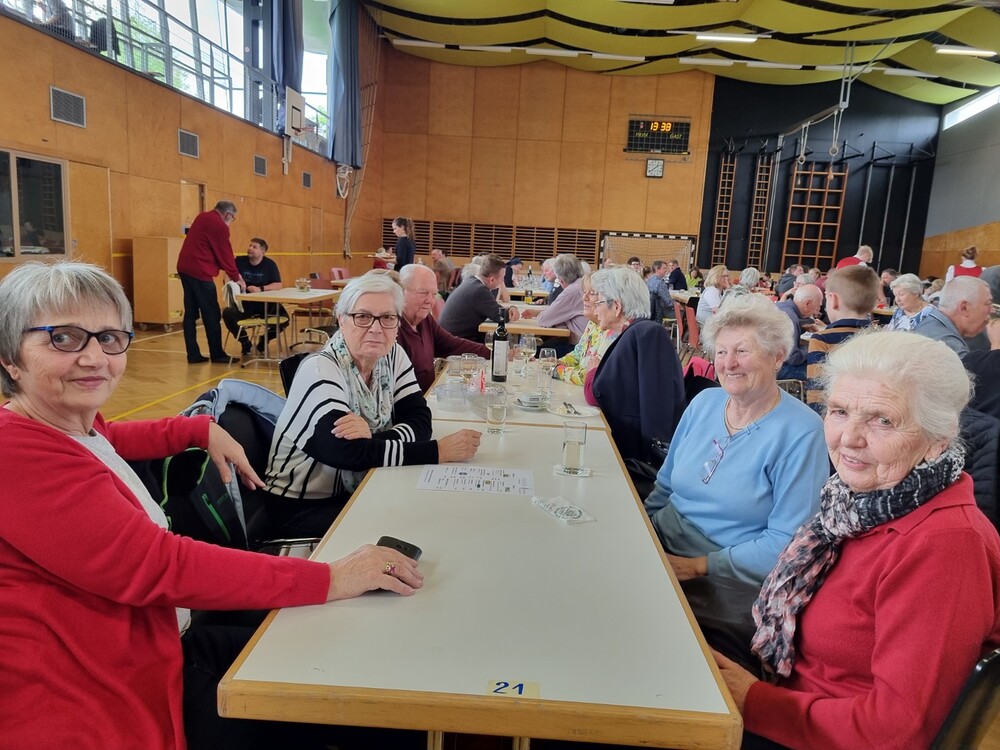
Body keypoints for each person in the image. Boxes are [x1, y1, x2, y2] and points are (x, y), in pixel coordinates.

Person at [0, 261, 424, 750]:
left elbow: (109, 438)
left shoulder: (67, 425)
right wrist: (329, 578)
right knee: (370, 709)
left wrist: (196, 428)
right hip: (109, 678)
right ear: (11, 358)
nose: (94, 357)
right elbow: (158, 564)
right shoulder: (17, 453)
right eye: (64, 338)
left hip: (161, 635)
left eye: (110, 338)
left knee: (362, 661)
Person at [714, 330, 1000, 750]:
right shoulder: (853, 505)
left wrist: (752, 700)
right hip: (783, 690)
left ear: (938, 439)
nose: (849, 437)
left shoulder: (945, 546)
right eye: (839, 411)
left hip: (812, 733)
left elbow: (898, 731)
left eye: (883, 420)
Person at [264, 274, 482, 537]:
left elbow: (420, 422)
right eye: (363, 316)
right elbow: (343, 452)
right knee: (420, 525)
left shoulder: (392, 354)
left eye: (388, 318)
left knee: (437, 513)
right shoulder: (319, 369)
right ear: (342, 320)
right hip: (302, 505)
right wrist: (436, 452)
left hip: (365, 484)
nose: (376, 329)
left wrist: (371, 439)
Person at [645, 294, 829, 584]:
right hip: (659, 538)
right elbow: (665, 484)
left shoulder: (802, 432)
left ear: (777, 356)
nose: (728, 363)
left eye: (742, 351)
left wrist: (700, 566)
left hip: (720, 575)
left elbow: (787, 541)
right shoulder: (704, 402)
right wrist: (640, 527)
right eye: (721, 352)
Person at [584, 267, 685, 464]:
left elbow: (597, 394)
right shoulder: (634, 332)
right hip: (624, 441)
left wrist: (592, 372)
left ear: (617, 307)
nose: (595, 310)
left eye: (599, 303)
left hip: (633, 454)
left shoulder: (646, 334)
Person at [396, 264, 489, 391]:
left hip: (431, 396)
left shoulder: (425, 320)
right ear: (401, 292)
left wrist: (495, 353)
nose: (429, 300)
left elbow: (453, 345)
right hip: (414, 401)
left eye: (434, 294)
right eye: (423, 293)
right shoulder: (393, 330)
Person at [176, 200, 244, 364]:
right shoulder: (219, 225)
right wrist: (237, 278)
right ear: (228, 214)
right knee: (212, 313)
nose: (231, 222)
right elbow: (225, 253)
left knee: (191, 313)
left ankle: (193, 354)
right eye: (232, 218)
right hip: (200, 271)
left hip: (185, 268)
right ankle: (217, 354)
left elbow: (207, 247)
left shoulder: (202, 217)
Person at [805, 265, 880, 411]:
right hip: (871, 412)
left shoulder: (821, 339)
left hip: (835, 413)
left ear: (833, 300)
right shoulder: (881, 338)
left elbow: (816, 389)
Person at [221, 237, 286, 357]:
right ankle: (245, 341)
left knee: (284, 319)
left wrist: (260, 289)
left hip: (264, 304)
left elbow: (278, 284)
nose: (250, 248)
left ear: (262, 252)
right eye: (250, 246)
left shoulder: (270, 264)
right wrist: (231, 282)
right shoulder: (239, 261)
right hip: (244, 304)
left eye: (254, 247)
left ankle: (264, 339)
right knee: (227, 313)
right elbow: (228, 273)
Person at [553, 273, 622, 385]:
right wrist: (557, 362)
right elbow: (577, 354)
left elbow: (592, 375)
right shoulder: (592, 324)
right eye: (584, 292)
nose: (584, 298)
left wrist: (557, 370)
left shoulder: (613, 332)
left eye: (592, 293)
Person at [439, 254, 520, 343]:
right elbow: (502, 317)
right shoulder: (480, 290)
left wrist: (510, 309)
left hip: (449, 337)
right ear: (492, 280)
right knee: (501, 346)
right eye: (502, 278)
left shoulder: (471, 281)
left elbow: (494, 309)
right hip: (455, 342)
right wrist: (512, 309)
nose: (502, 281)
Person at [913, 276, 993, 358]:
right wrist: (996, 345)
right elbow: (966, 366)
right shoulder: (945, 343)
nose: (992, 310)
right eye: (988, 303)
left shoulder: (933, 324)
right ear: (964, 308)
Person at [520, 254, 587, 350]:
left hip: (580, 347)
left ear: (560, 279)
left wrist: (541, 315)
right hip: (588, 342)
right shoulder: (582, 284)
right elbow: (564, 312)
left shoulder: (572, 291)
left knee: (533, 350)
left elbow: (543, 320)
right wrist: (536, 313)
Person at [775, 284, 824, 380]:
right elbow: (793, 358)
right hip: (779, 370)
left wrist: (802, 329)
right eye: (817, 307)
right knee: (822, 373)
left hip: (768, 364)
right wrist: (812, 347)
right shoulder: (791, 319)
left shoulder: (780, 305)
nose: (817, 311)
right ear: (808, 303)